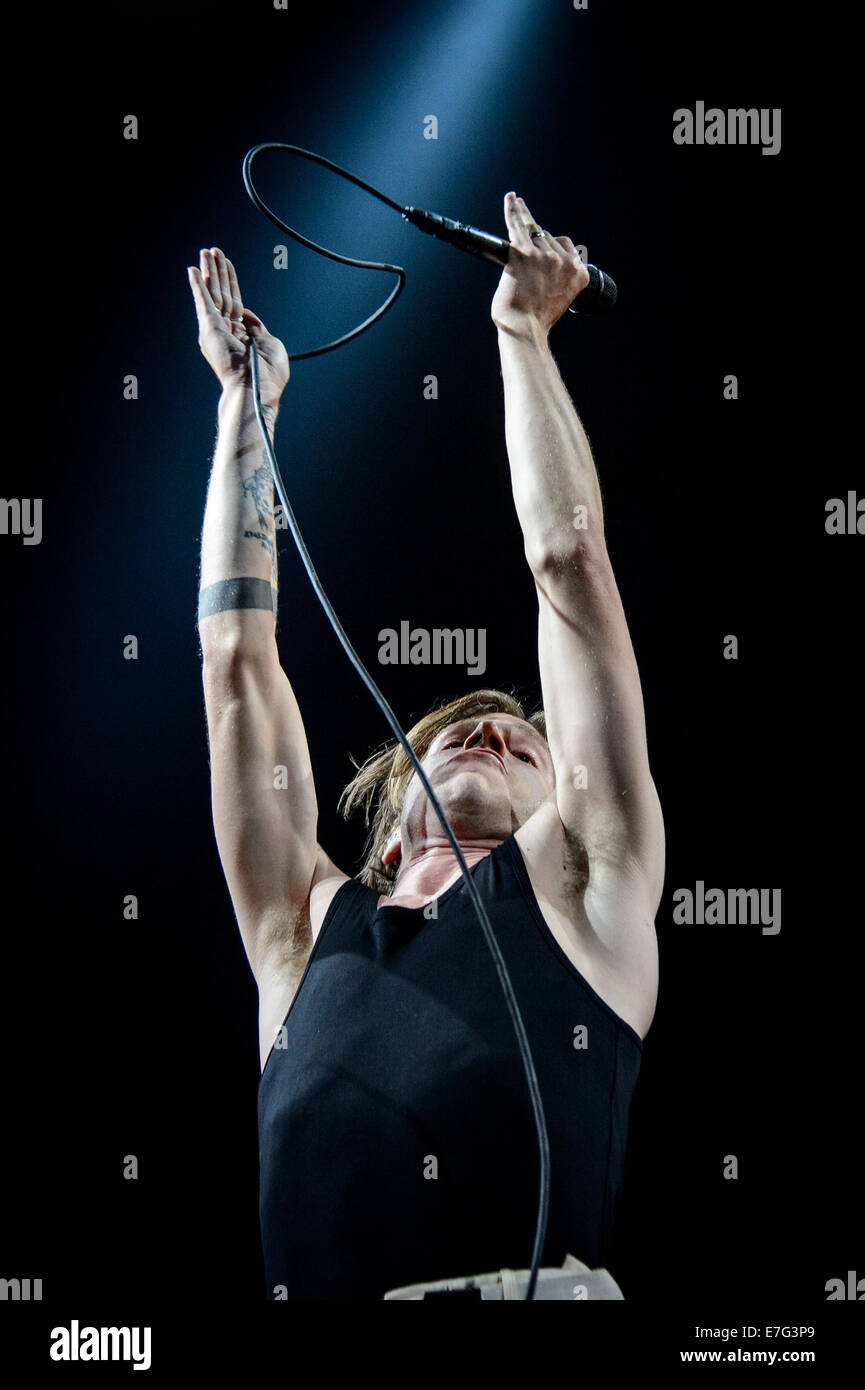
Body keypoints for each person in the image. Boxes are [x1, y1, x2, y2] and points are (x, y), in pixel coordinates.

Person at [189, 192, 665, 1301]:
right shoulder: (301, 929)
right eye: (459, 731)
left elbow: (570, 570)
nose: (497, 727)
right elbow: (233, 665)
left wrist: (519, 331)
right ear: (397, 792)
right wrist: (241, 411)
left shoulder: (587, 880)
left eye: (524, 741)